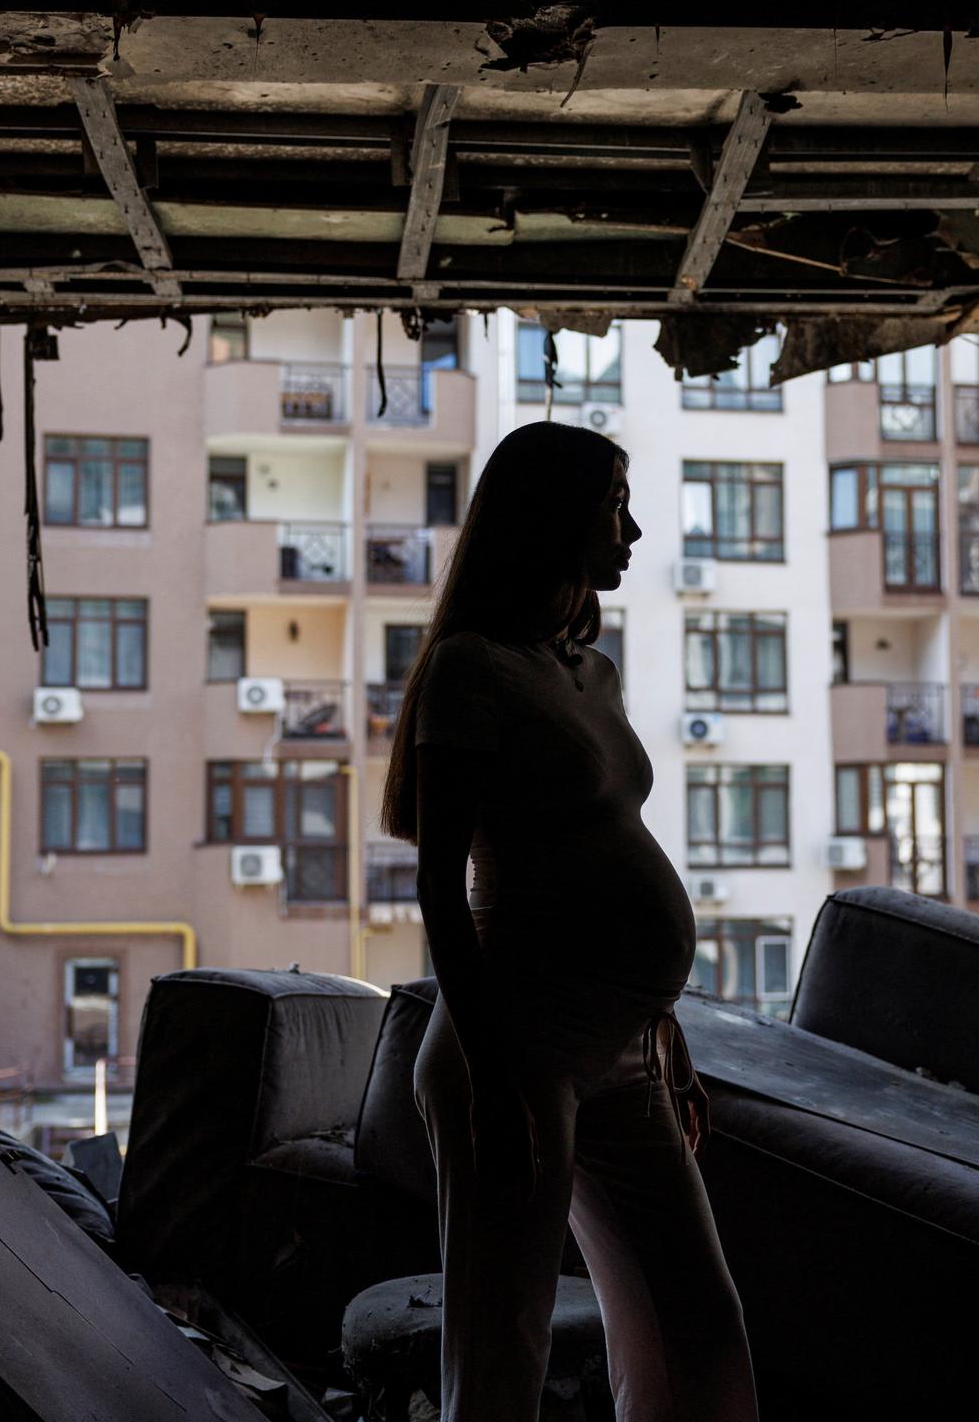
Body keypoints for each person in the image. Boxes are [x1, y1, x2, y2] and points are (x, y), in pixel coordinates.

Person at [380, 420, 761, 1422]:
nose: (632, 531)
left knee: (699, 1335)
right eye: (614, 507)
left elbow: (603, 854)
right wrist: (501, 1080)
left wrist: (658, 1034)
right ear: (551, 521)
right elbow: (438, 891)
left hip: (623, 1050)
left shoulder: (590, 672)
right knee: (502, 1354)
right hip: (515, 1053)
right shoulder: (472, 671)